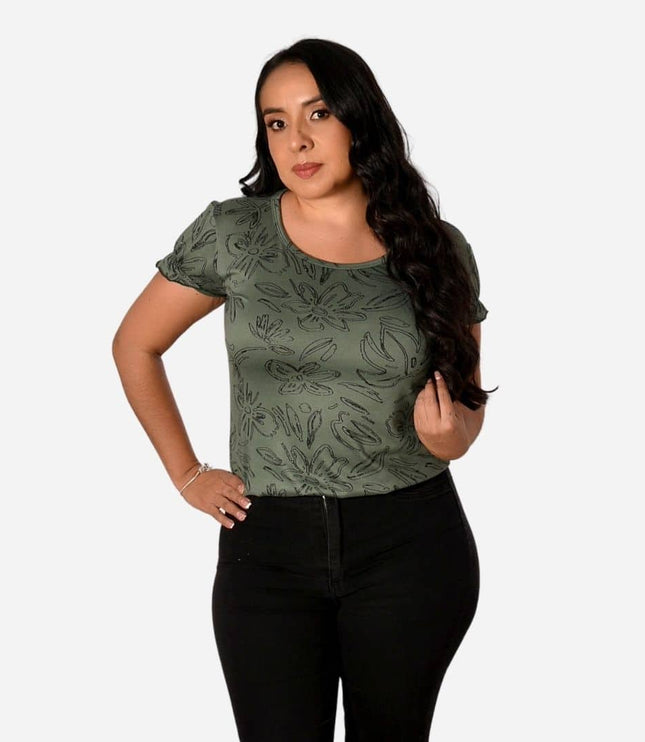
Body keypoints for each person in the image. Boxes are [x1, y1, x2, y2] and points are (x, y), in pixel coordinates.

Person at [112, 37, 497, 742]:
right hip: (266, 553)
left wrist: (453, 437)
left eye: (318, 113)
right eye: (276, 121)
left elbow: (465, 410)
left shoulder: (437, 247)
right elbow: (135, 344)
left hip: (410, 546)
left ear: (359, 117)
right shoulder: (233, 233)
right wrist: (187, 474)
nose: (297, 140)